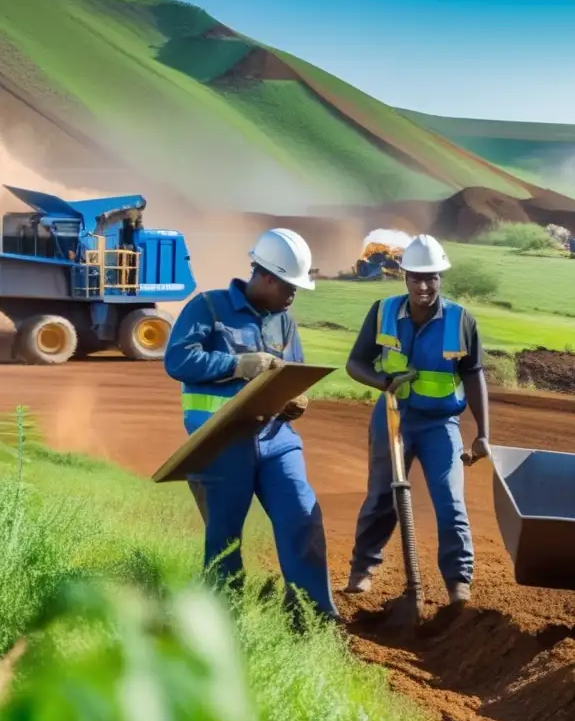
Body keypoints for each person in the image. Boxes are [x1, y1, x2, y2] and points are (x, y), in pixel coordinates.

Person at [163, 228, 339, 623]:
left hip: (277, 439)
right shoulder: (207, 308)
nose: (294, 295)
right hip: (222, 440)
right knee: (224, 537)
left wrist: (295, 399)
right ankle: (225, 619)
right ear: (267, 276)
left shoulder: (285, 322)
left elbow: (291, 371)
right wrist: (234, 365)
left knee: (301, 515)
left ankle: (312, 618)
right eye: (290, 286)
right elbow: (177, 361)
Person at [344, 233, 491, 605]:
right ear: (404, 276)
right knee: (381, 495)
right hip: (393, 417)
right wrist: (384, 382)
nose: (424, 286)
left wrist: (483, 434)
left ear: (441, 278)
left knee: (450, 499)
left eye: (432, 277)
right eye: (416, 277)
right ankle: (363, 569)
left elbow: (473, 374)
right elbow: (355, 363)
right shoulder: (383, 312)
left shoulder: (461, 320)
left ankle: (459, 581)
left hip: (441, 425)